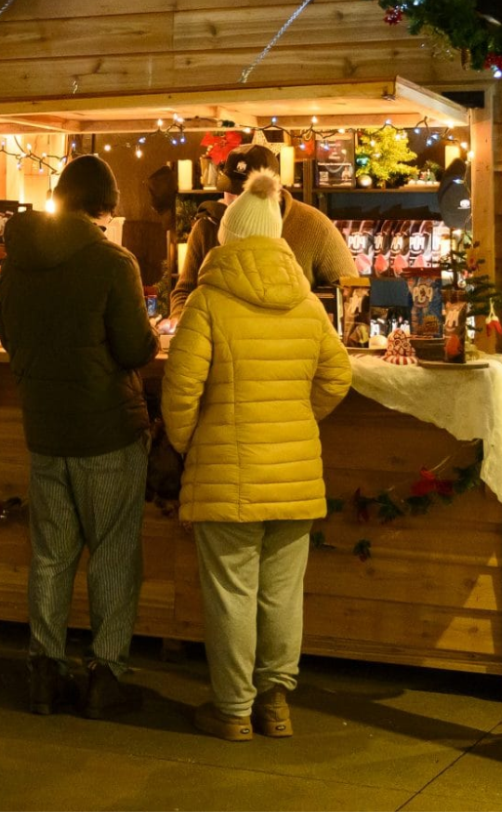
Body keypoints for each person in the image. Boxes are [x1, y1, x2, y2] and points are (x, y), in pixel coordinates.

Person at [164, 168, 353, 741]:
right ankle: (275, 704)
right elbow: (337, 377)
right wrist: (298, 419)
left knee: (232, 594)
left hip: (227, 475)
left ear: (228, 238)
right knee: (281, 594)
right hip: (294, 476)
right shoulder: (307, 306)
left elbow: (179, 394)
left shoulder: (207, 303)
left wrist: (193, 442)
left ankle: (233, 710)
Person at [0, 154, 158, 720]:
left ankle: (44, 672)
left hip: (43, 427)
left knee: (50, 556)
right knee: (112, 553)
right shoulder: (114, 262)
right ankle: (105, 677)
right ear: (102, 209)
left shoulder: (14, 261)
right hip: (107, 429)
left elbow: (7, 336)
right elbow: (136, 349)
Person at [167, 144, 355, 324]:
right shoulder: (207, 227)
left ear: (275, 191)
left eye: (246, 193)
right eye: (229, 190)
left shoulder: (315, 227)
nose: (234, 200)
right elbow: (185, 291)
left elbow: (351, 292)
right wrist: (178, 319)